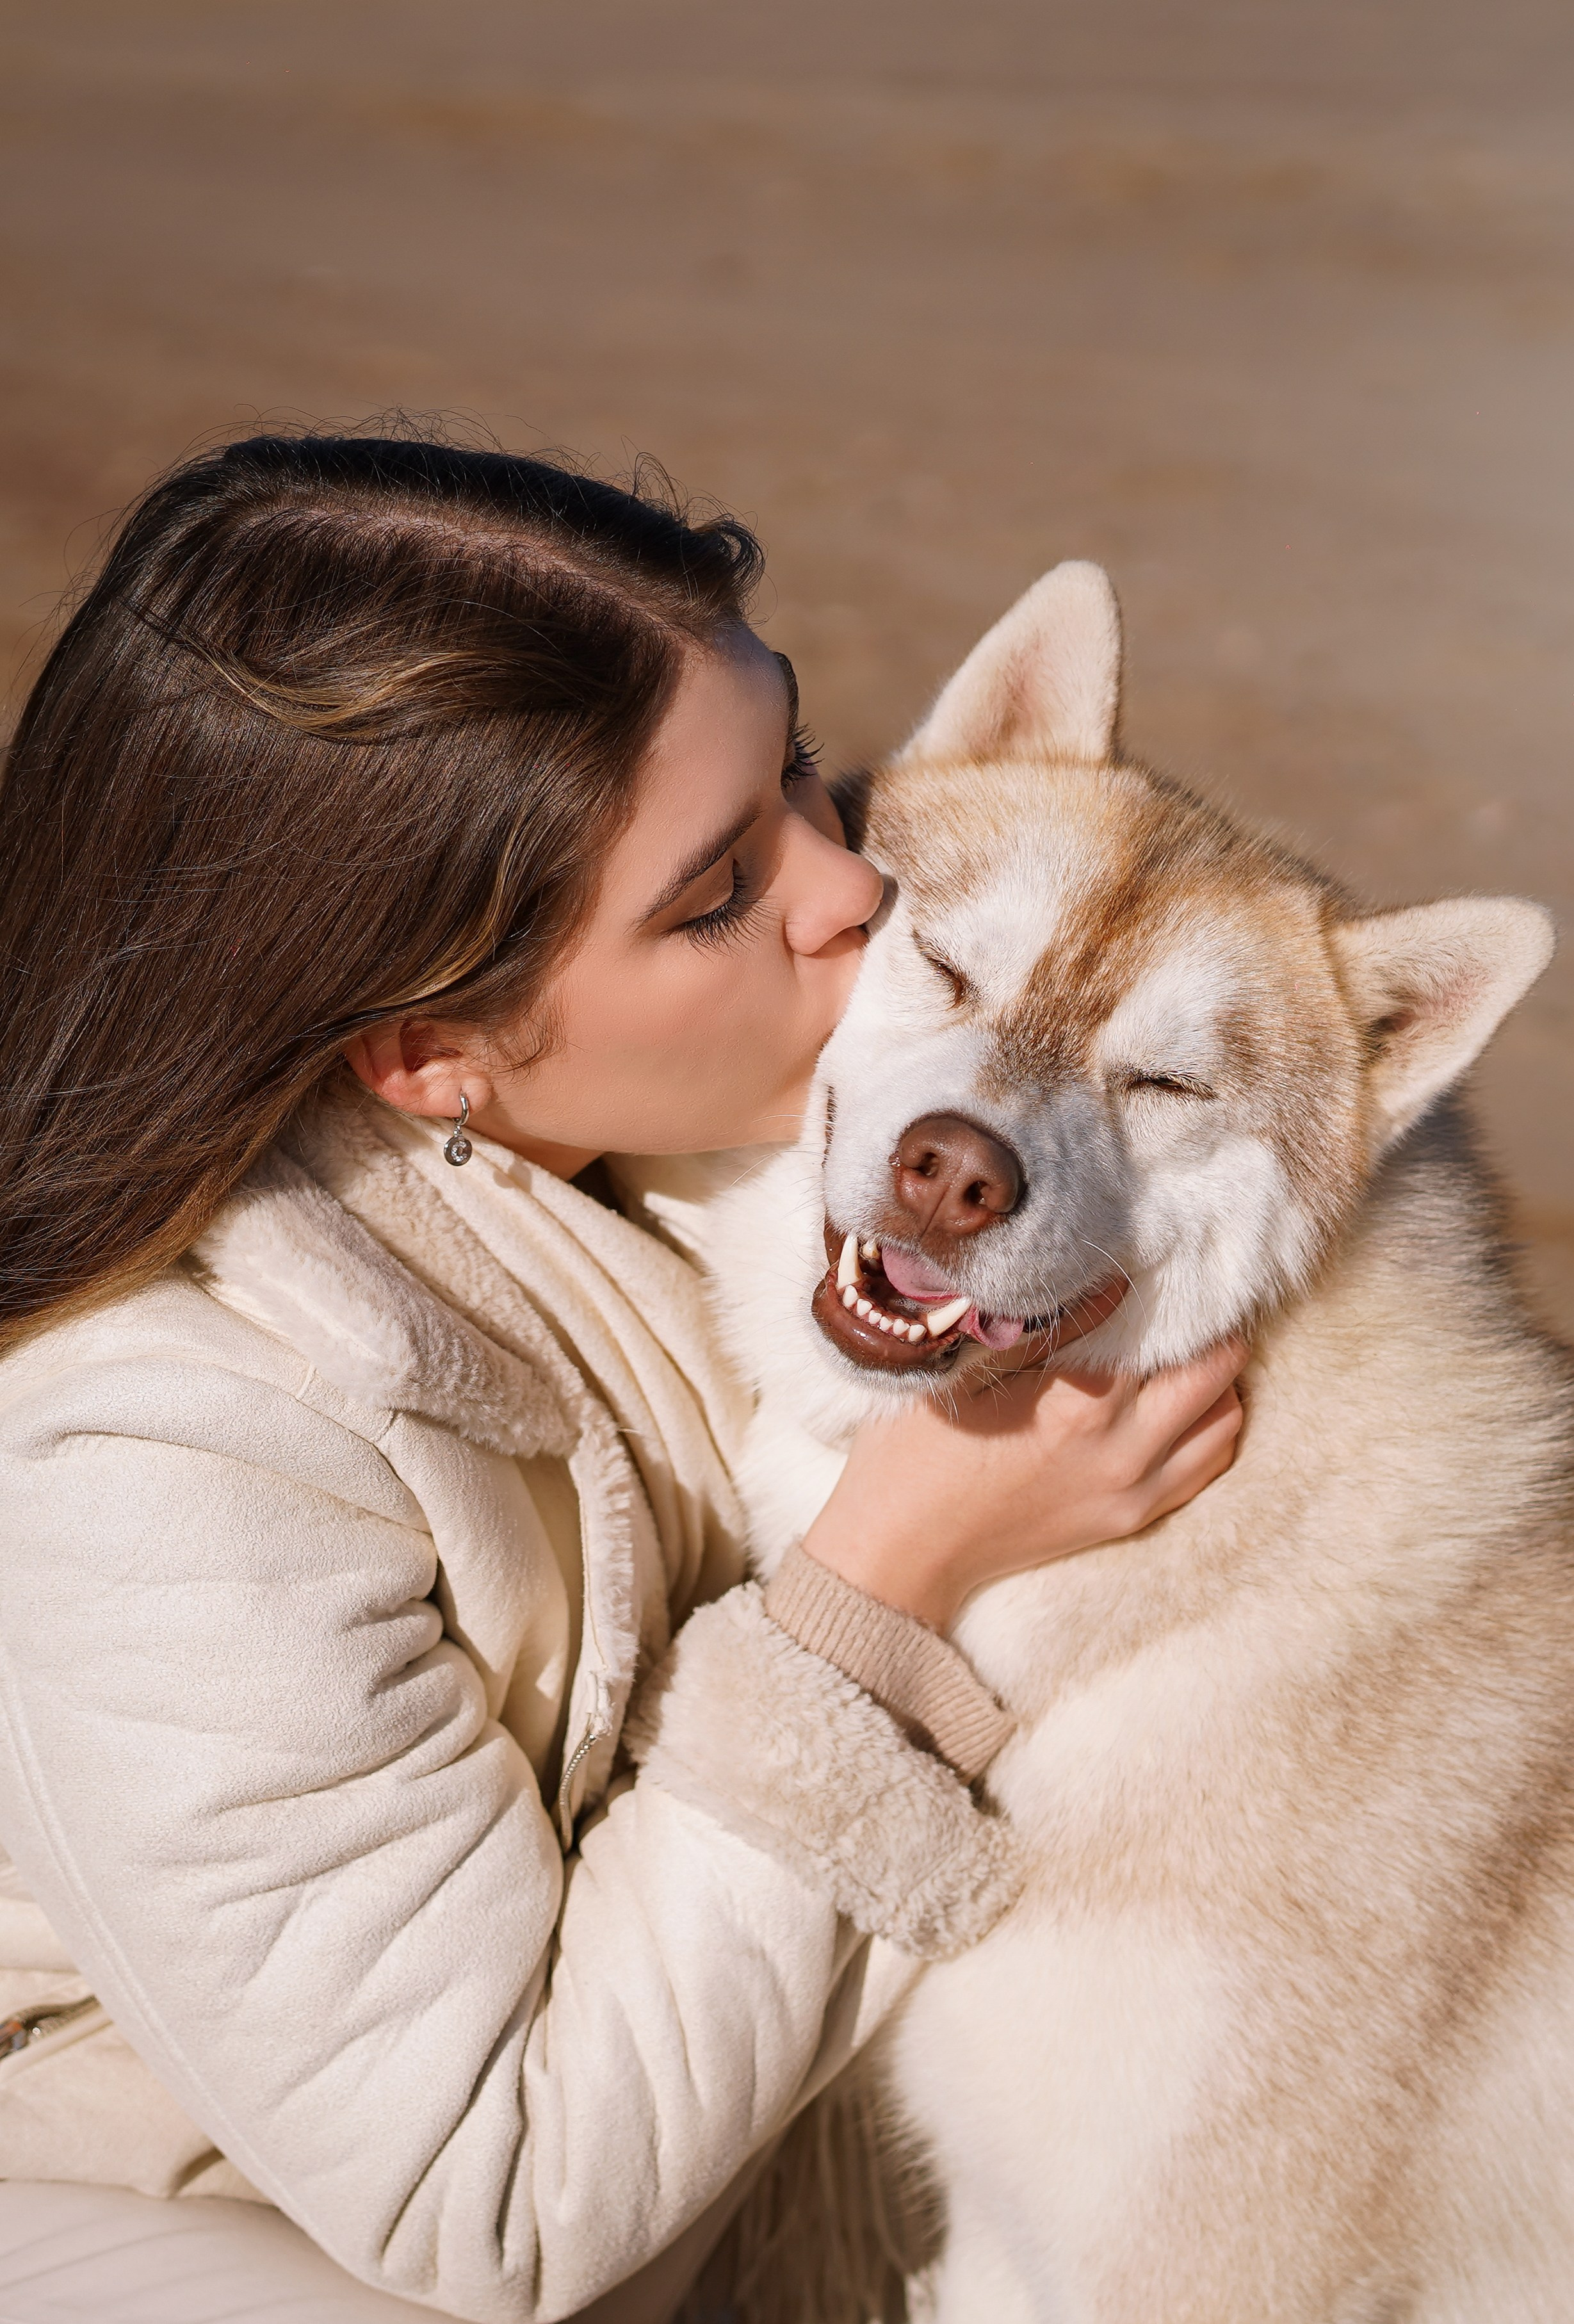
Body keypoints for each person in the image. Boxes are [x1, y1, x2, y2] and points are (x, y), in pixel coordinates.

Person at [0, 434, 1244, 2323]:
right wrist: (884, 1581)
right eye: (713, 894)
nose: (859, 890)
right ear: (431, 1053)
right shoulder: (163, 1454)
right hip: (180, 2206)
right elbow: (491, 2200)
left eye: (804, 778)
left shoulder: (705, 1139)